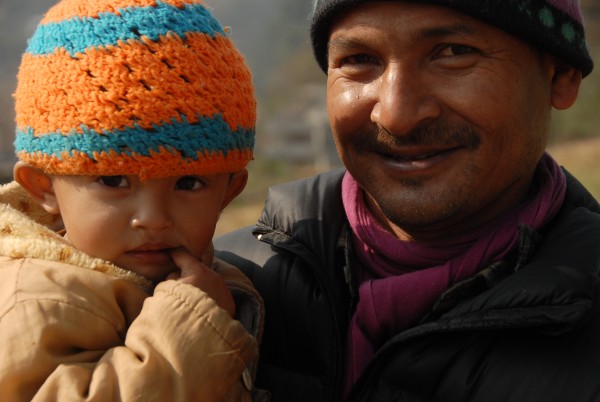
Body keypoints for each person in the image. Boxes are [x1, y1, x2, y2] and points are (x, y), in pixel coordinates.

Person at [215, 0, 600, 401]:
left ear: (560, 75)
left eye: (453, 52)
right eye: (360, 59)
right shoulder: (222, 291)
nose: (396, 115)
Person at [0, 0, 267, 401]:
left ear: (229, 192)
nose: (153, 218)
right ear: (44, 187)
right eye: (113, 180)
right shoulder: (38, 298)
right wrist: (188, 323)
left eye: (189, 183)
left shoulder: (210, 275)